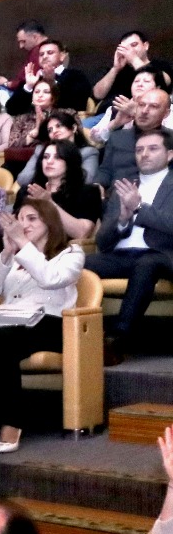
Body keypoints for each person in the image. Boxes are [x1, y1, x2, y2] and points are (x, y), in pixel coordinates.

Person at [0, 200, 84, 452]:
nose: (24, 224)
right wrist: (7, 252)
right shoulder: (16, 255)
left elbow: (49, 278)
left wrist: (22, 244)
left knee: (0, 339)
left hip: (52, 323)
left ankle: (11, 419)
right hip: (8, 320)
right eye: (21, 219)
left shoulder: (71, 254)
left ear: (49, 222)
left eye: (32, 219)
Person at [86, 129, 173, 361]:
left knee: (146, 263)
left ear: (170, 154)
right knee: (77, 262)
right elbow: (102, 241)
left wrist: (139, 208)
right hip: (122, 255)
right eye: (139, 150)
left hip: (162, 255)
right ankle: (67, 333)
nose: (144, 154)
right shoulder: (123, 186)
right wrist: (122, 220)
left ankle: (117, 338)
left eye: (152, 149)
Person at [12, 141, 102, 243]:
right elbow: (14, 226)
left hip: (62, 251)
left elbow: (82, 233)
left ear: (70, 161)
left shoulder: (87, 192)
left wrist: (49, 202)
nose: (49, 161)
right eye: (46, 157)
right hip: (24, 248)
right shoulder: (28, 190)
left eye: (57, 157)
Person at [97, 89, 171, 190]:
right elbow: (105, 171)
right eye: (141, 105)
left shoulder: (170, 139)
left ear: (166, 113)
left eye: (153, 106)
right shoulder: (117, 137)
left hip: (158, 199)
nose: (144, 111)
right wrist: (98, 185)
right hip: (116, 198)